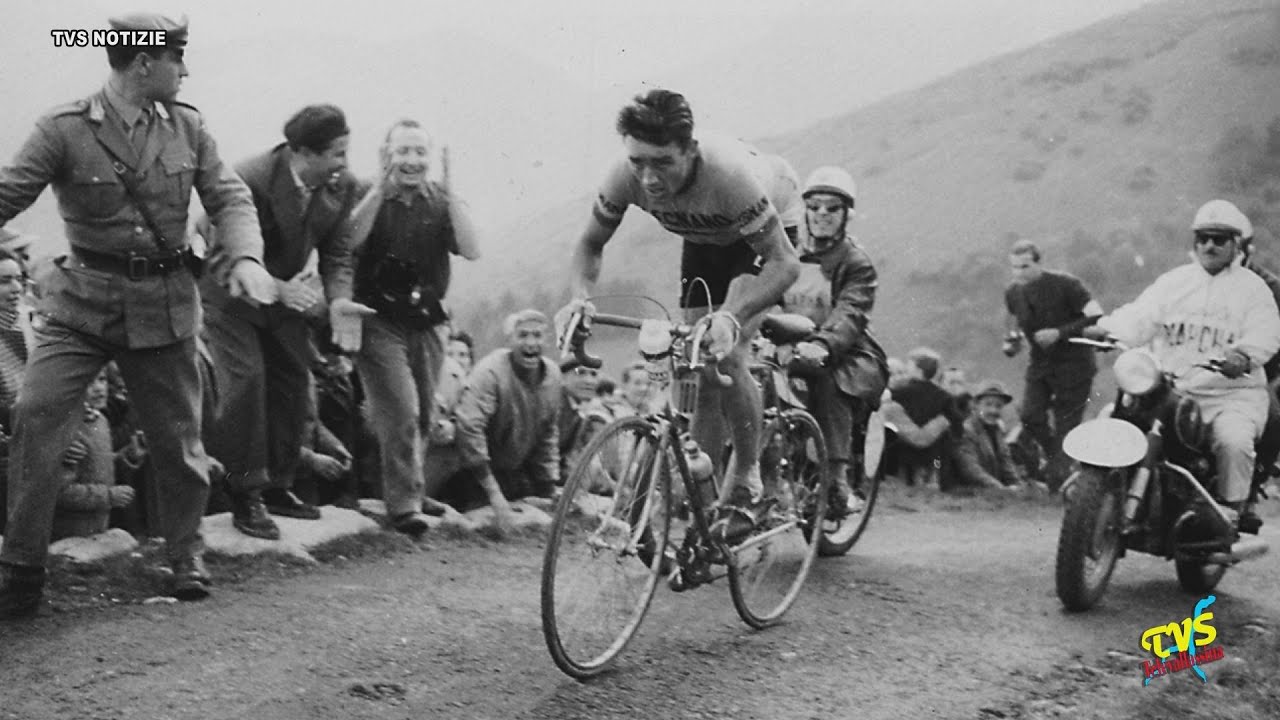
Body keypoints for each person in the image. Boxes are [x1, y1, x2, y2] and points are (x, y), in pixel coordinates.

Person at [0, 13, 277, 615]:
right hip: (80, 304)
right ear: (145, 62)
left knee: (178, 439)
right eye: (178, 58)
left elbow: (229, 196)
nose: (185, 71)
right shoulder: (63, 128)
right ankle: (22, 568)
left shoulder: (188, 126)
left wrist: (247, 256)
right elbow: (7, 193)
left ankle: (185, 556)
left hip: (163, 304)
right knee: (37, 414)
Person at [561, 88, 802, 532]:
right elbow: (590, 244)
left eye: (662, 163)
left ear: (690, 150)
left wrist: (731, 316)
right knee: (697, 366)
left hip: (764, 236)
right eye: (638, 163)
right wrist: (579, 298)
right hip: (705, 238)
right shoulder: (623, 175)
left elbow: (785, 264)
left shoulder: (728, 175)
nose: (648, 178)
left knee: (726, 353)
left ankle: (746, 477)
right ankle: (704, 504)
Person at [199, 104, 363, 539]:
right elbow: (219, 255)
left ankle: (277, 485)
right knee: (247, 380)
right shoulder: (248, 178)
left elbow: (338, 253)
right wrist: (277, 287)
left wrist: (340, 300)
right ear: (302, 153)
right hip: (230, 293)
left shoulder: (342, 186)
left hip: (281, 296)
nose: (345, 164)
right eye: (337, 153)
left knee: (292, 377)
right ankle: (244, 493)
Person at [1088, 199, 1280, 529]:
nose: (1209, 245)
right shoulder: (1174, 282)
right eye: (1202, 238)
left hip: (1229, 395)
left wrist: (1244, 356)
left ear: (1236, 245)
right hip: (1173, 389)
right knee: (1114, 417)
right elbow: (1141, 315)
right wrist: (1108, 328)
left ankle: (1231, 510)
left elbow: (1266, 331)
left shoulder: (1254, 290)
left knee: (1233, 441)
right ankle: (1093, 489)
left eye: (1219, 239)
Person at [345, 118, 480, 536]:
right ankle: (403, 506)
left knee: (423, 409)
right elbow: (347, 242)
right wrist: (376, 193)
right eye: (402, 151)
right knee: (400, 409)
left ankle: (413, 491)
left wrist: (452, 195)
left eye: (420, 152)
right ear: (386, 154)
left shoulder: (440, 199)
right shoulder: (366, 192)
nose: (412, 160)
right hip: (378, 318)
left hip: (426, 319)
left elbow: (471, 249)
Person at [780, 166, 889, 515]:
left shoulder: (856, 262)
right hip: (786, 344)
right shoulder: (786, 252)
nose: (822, 214)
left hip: (846, 352)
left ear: (846, 215)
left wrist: (824, 344)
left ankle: (836, 481)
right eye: (814, 207)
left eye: (832, 208)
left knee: (829, 382)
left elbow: (851, 313)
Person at [428, 310, 562, 529]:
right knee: (477, 518)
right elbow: (469, 428)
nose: (531, 343)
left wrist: (548, 485)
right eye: (523, 335)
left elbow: (548, 433)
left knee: (539, 516)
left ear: (546, 340)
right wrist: (493, 492)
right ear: (510, 340)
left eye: (537, 336)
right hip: (473, 471)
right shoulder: (490, 372)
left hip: (514, 470)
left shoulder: (553, 376)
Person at [1003, 239, 1103, 489]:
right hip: (1040, 364)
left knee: (1065, 424)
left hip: (1075, 365)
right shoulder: (1013, 292)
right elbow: (1014, 321)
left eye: (1025, 266)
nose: (1019, 273)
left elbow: (1096, 315)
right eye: (1014, 267)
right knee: (1030, 415)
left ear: (1039, 263)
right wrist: (1013, 341)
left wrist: (1059, 333)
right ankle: (1056, 459)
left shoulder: (1067, 285)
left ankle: (1060, 483)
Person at [51, 369, 144, 541]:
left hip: (98, 526)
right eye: (88, 381)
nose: (99, 388)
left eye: (102, 379)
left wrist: (123, 456)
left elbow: (93, 467)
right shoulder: (66, 430)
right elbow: (60, 492)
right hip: (69, 532)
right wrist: (109, 496)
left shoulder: (100, 420)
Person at [887, 347, 956, 486]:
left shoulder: (900, 393)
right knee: (934, 471)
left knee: (909, 481)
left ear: (917, 369)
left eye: (908, 366)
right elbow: (954, 420)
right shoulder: (944, 396)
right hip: (934, 454)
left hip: (906, 452)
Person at [950, 380, 1024, 492]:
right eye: (988, 404)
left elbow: (1006, 464)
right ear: (976, 405)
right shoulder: (966, 430)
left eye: (998, 406)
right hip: (970, 493)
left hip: (992, 492)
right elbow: (971, 469)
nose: (993, 410)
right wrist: (1002, 489)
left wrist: (1018, 486)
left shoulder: (997, 431)